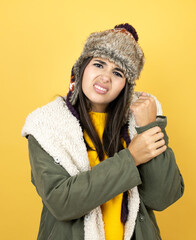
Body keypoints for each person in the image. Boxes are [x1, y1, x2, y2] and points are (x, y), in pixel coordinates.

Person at [21, 23, 184, 240]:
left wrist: (150, 126)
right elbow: (62, 202)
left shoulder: (138, 122)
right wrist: (131, 158)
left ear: (126, 85)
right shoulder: (47, 126)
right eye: (99, 64)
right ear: (81, 69)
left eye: (117, 72)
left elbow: (162, 197)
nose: (106, 77)